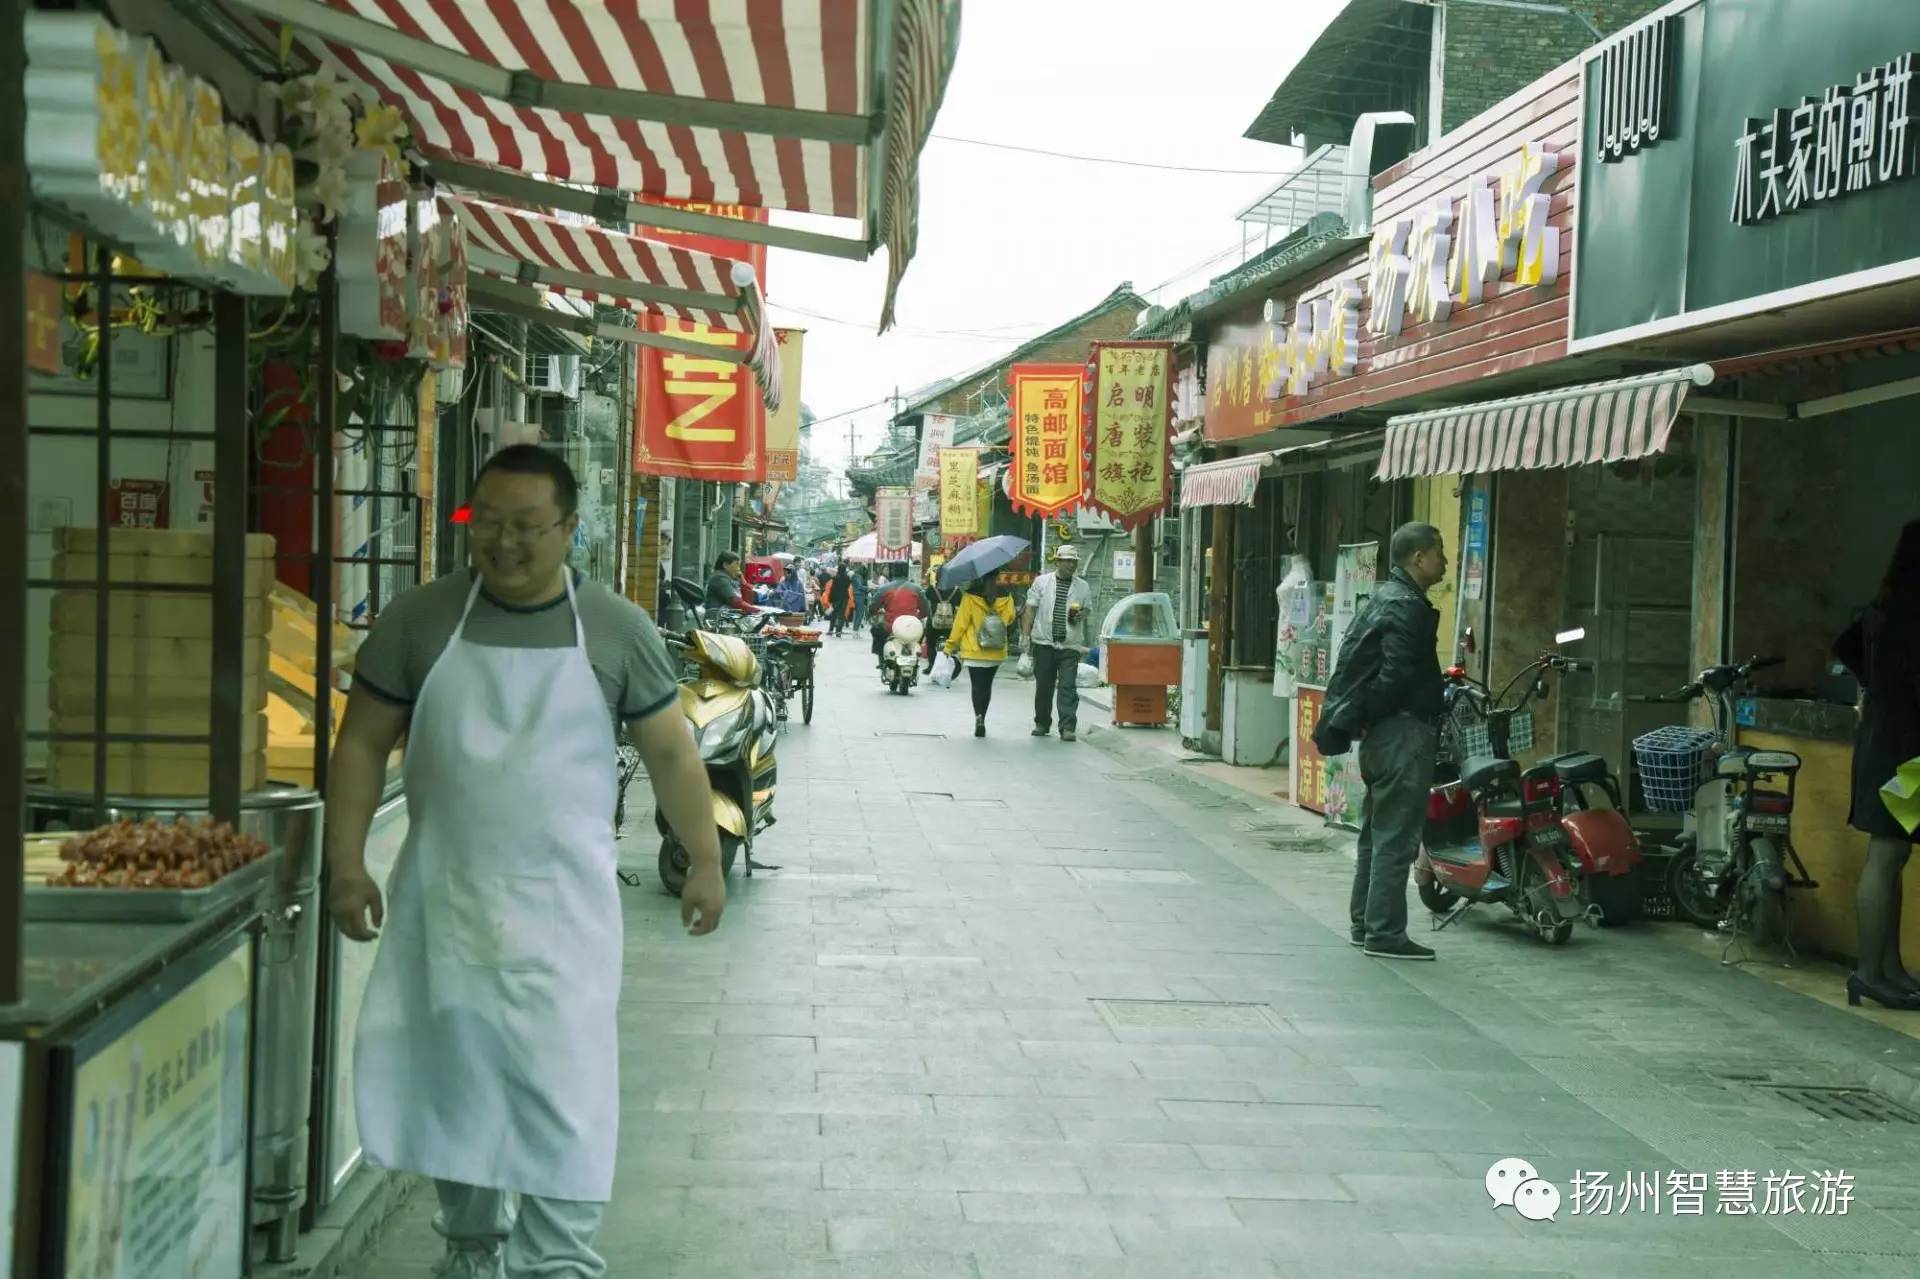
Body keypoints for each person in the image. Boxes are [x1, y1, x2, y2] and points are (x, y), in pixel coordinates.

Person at [325, 445, 726, 1279]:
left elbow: (673, 756)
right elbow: (361, 742)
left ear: (568, 529)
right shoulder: (420, 620)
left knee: (566, 1088)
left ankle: (558, 1260)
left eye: (528, 528)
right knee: (459, 1078)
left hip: (565, 912)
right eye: (488, 525)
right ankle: (470, 1251)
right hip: (449, 899)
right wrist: (345, 859)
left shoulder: (616, 629)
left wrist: (704, 858)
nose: (505, 544)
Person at [1315, 522, 1448, 962]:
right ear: (1418, 558)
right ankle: (1385, 932)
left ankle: (1365, 924)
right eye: (1439, 552)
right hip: (1402, 733)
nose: (1444, 560)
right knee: (1395, 837)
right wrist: (1380, 715)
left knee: (1375, 834)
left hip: (1382, 735)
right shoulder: (1405, 606)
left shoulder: (1385, 598)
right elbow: (1395, 674)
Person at [1834, 520, 1920, 1011]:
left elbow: (1845, 648)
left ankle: (1889, 969)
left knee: (1892, 854)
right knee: (1888, 855)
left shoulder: (1881, 611)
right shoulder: (1915, 614)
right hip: (1905, 752)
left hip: (1882, 745)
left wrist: (1872, 689)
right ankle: (1870, 972)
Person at [1021, 544, 1094, 742]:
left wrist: (1081, 614)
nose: (1072, 565)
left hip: (1069, 644)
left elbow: (1088, 610)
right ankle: (1042, 723)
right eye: (1068, 561)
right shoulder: (1041, 582)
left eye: (1074, 561)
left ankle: (1068, 727)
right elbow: (1030, 609)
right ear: (1058, 562)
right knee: (1044, 685)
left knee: (1068, 686)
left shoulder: (1083, 586)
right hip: (1044, 642)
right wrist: (1025, 637)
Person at [943, 575, 1018, 737]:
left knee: (976, 685)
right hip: (996, 649)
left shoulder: (970, 595)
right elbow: (1010, 617)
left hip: (973, 649)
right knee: (987, 685)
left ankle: (978, 718)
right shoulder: (1006, 595)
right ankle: (983, 716)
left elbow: (961, 623)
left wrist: (950, 646)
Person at [871, 566, 929, 671]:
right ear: (907, 573)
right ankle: (916, 657)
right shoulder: (917, 589)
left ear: (893, 572)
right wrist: (916, 617)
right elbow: (925, 610)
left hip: (890, 627)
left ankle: (881, 660)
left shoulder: (884, 589)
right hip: (911, 627)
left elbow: (873, 607)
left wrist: (874, 613)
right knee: (922, 631)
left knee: (876, 629)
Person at [925, 576, 960, 674]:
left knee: (931, 644)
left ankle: (931, 665)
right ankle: (947, 665)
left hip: (934, 622)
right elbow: (959, 604)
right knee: (949, 644)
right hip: (949, 623)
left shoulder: (931, 589)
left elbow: (926, 601)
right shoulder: (956, 590)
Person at [825, 564, 854, 636]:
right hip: (844, 598)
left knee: (834, 614)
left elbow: (833, 589)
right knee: (841, 615)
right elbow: (848, 586)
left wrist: (830, 599)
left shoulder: (835, 578)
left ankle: (831, 630)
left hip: (836, 598)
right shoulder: (847, 578)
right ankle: (839, 631)